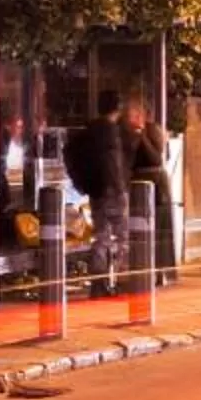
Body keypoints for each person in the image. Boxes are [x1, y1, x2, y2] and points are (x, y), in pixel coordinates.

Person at [65, 90, 133, 299]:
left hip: (97, 193)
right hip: (114, 191)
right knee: (123, 237)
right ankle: (123, 281)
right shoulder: (113, 132)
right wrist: (120, 187)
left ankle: (98, 284)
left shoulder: (89, 132)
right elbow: (115, 165)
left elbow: (69, 152)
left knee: (101, 237)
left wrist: (82, 183)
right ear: (118, 108)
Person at [126, 99, 178, 288]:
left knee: (159, 231)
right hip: (141, 187)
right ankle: (147, 270)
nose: (130, 117)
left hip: (156, 189)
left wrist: (141, 136)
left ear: (142, 115)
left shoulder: (152, 131)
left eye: (134, 113)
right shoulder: (132, 133)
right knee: (142, 229)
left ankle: (160, 272)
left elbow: (156, 158)